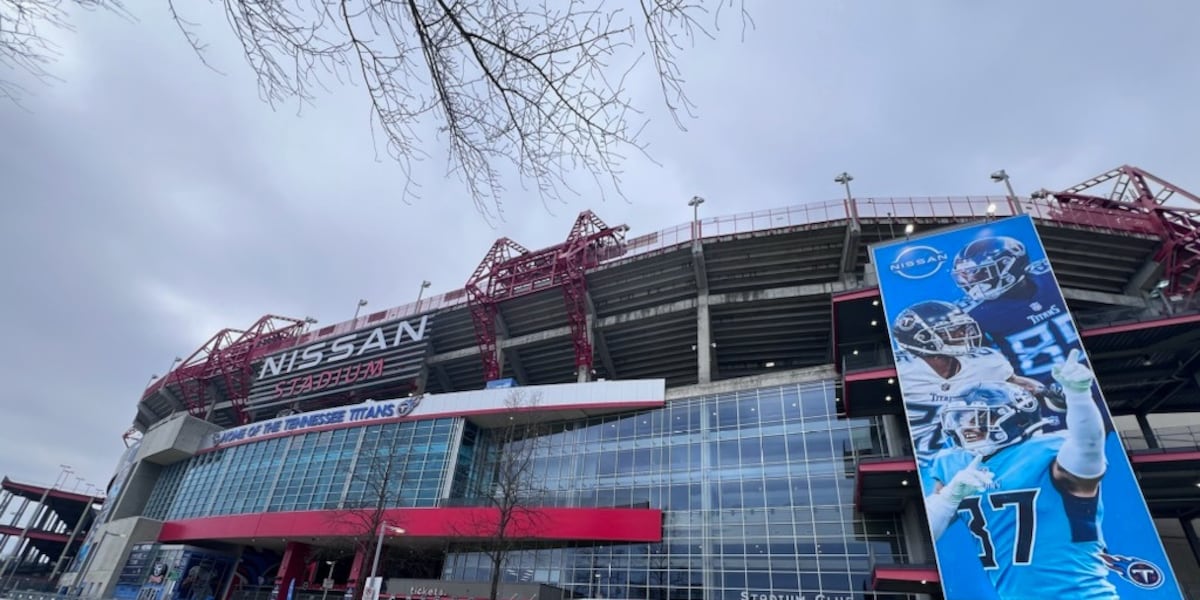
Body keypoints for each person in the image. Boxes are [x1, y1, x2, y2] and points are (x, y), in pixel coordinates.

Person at [922, 350, 1115, 599]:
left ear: (1018, 417)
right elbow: (929, 532)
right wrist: (948, 497)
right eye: (960, 418)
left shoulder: (1049, 451)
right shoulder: (953, 464)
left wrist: (1079, 396)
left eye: (979, 417)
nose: (966, 426)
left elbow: (1088, 448)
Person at [892, 300, 1043, 465]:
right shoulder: (902, 368)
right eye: (952, 330)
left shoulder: (985, 360)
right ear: (921, 338)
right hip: (923, 462)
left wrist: (1052, 392)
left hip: (978, 454)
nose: (962, 334)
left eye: (963, 328)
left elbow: (1020, 387)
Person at [951, 236, 1077, 390]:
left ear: (1009, 266)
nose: (972, 282)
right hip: (1041, 393)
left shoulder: (1049, 277)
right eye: (966, 275)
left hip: (1086, 374)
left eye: (980, 273)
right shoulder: (971, 314)